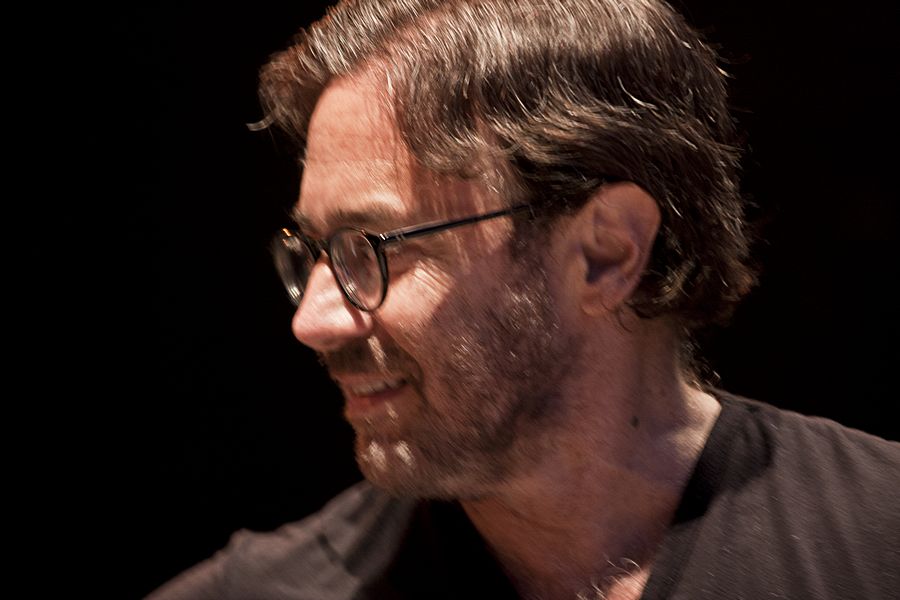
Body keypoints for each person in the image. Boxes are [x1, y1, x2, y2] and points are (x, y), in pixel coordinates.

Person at [147, 0, 899, 598]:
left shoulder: (878, 543)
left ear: (605, 254)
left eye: (375, 247)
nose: (312, 320)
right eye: (313, 251)